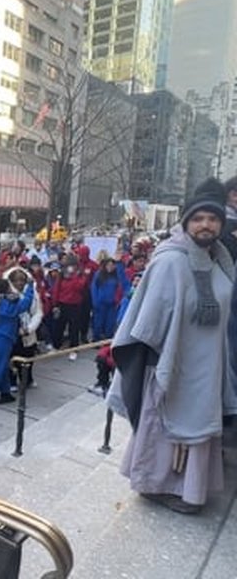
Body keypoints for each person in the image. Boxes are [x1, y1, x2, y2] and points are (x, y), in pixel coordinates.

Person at [108, 178, 237, 514]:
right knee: (164, 428)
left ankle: (189, 488)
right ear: (187, 222)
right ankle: (155, 485)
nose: (206, 224)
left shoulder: (220, 260)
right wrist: (160, 366)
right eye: (198, 219)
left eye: (212, 219)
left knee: (197, 431)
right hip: (168, 365)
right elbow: (148, 321)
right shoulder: (170, 261)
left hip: (206, 366)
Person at [0, 278, 34, 405]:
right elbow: (25, 304)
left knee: (3, 367)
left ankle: (5, 392)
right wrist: (30, 288)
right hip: (2, 339)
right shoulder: (7, 304)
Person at [4, 267, 43, 391]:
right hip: (12, 332)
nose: (19, 283)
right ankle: (12, 381)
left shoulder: (33, 293)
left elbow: (38, 312)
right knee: (12, 357)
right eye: (16, 280)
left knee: (28, 357)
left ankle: (27, 379)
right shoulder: (7, 294)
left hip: (29, 331)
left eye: (22, 280)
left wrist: (30, 329)